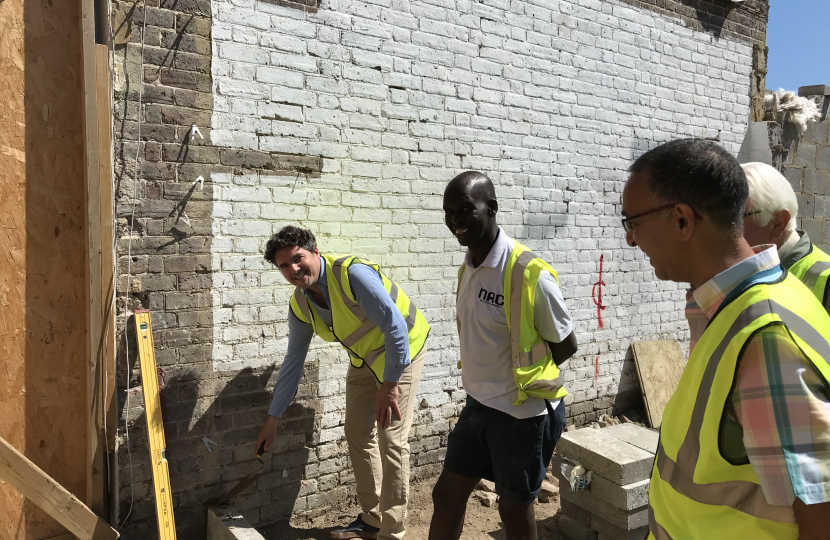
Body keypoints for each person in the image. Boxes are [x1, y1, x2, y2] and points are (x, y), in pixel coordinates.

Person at [621, 139, 830, 540]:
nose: (631, 240)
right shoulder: (739, 307)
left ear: (682, 220)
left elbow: (819, 516)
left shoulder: (765, 339)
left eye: (633, 222)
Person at [429, 171, 578, 540]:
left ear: (491, 208)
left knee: (513, 510)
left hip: (521, 415)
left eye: (465, 209)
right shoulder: (469, 267)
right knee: (446, 494)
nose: (455, 220)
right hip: (478, 406)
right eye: (449, 212)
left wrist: (521, 378)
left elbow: (566, 344)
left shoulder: (528, 272)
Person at [257, 226, 430, 540]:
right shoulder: (301, 305)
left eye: (298, 259)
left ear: (315, 252)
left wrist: (390, 385)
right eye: (284, 266)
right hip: (365, 360)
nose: (294, 269)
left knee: (391, 440)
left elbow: (395, 328)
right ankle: (372, 519)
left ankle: (393, 531)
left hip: (403, 350)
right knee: (357, 433)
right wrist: (273, 419)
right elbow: (293, 363)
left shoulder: (352, 276)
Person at [742, 162, 830, 313]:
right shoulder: (746, 272)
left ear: (777, 222)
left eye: (736, 218)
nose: (724, 229)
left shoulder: (825, 278)